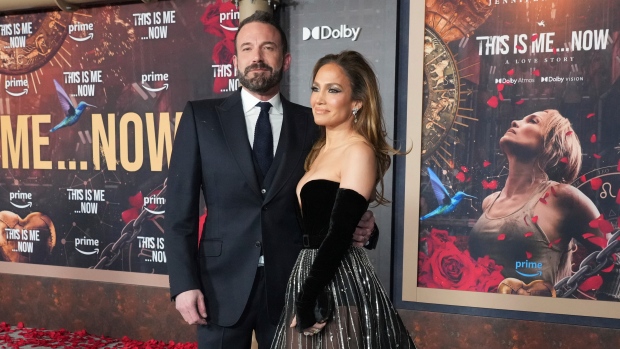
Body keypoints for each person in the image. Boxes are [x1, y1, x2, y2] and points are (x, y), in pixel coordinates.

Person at [164, 11, 377, 349]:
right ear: (234, 60)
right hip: (219, 286)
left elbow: (329, 195)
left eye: (268, 48)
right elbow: (178, 212)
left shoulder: (314, 123)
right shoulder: (201, 118)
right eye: (247, 49)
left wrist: (365, 225)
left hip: (293, 285)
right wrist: (183, 283)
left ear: (286, 59)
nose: (257, 57)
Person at [270, 51, 416, 348]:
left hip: (336, 281)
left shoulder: (358, 150)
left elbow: (338, 233)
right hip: (308, 274)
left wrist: (308, 295)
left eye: (333, 90)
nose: (319, 99)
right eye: (315, 88)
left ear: (357, 102)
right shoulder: (317, 149)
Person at [469, 110, 620, 298]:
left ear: (552, 144)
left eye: (533, 121)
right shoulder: (489, 202)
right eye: (520, 118)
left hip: (537, 325)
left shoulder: (562, 197)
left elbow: (614, 261)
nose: (515, 121)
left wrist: (598, 320)